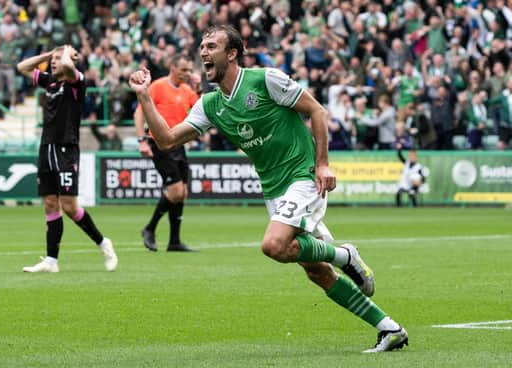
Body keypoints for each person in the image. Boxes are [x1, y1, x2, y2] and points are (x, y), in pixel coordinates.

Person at [129, 25, 408, 353]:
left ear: (232, 53)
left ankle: (345, 254)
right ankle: (389, 329)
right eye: (201, 46)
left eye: (212, 46)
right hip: (274, 190)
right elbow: (165, 139)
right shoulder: (210, 104)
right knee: (315, 271)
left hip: (303, 176)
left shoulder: (265, 80)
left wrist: (322, 164)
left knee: (273, 245)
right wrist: (145, 96)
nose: (203, 52)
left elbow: (317, 110)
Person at [17, 45, 117, 273]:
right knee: (50, 204)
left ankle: (103, 243)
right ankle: (52, 261)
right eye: (52, 60)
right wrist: (48, 54)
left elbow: (68, 67)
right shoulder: (49, 82)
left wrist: (66, 56)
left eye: (57, 59)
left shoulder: (76, 82)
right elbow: (22, 67)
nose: (54, 63)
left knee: (70, 207)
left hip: (66, 149)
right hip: (46, 148)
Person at [134, 54, 199, 252]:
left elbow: (199, 109)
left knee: (182, 193)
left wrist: (199, 89)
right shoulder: (158, 86)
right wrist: (141, 140)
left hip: (179, 144)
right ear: (172, 67)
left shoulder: (187, 90)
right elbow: (139, 112)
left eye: (189, 70)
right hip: (159, 143)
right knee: (175, 191)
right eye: (184, 70)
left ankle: (174, 241)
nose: (187, 74)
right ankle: (149, 228)